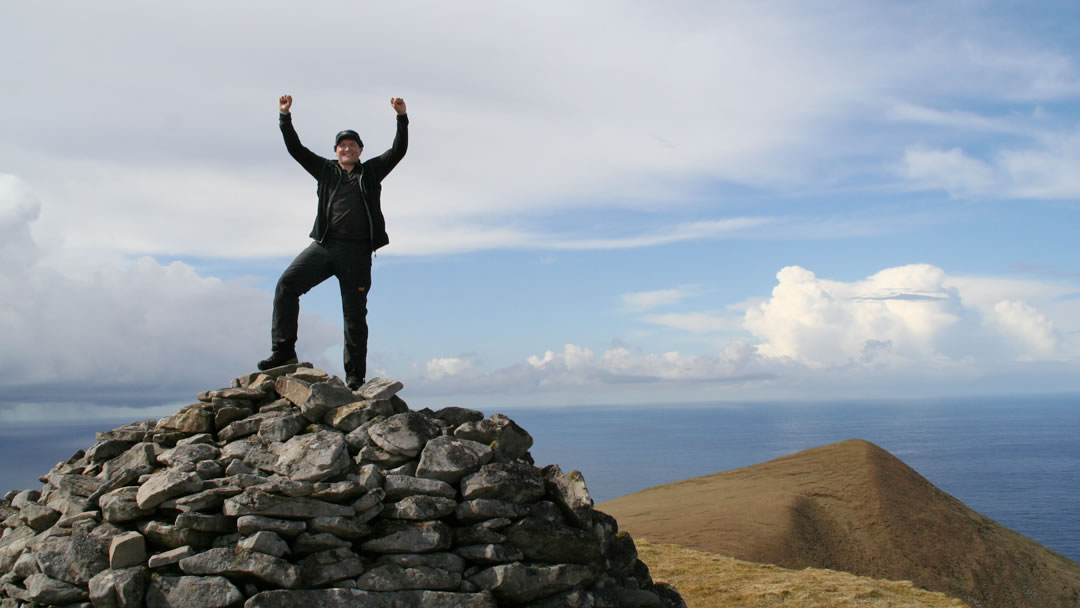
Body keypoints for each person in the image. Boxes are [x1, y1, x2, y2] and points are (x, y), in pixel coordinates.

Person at [257, 94, 409, 390]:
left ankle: (355, 378)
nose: (347, 148)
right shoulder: (325, 171)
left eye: (352, 145)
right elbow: (296, 150)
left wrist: (401, 118)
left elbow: (399, 150)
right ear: (336, 151)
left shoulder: (371, 172)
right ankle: (284, 351)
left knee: (354, 315)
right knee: (287, 285)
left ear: (360, 150)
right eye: (342, 145)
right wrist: (284, 117)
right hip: (325, 246)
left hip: (357, 253)